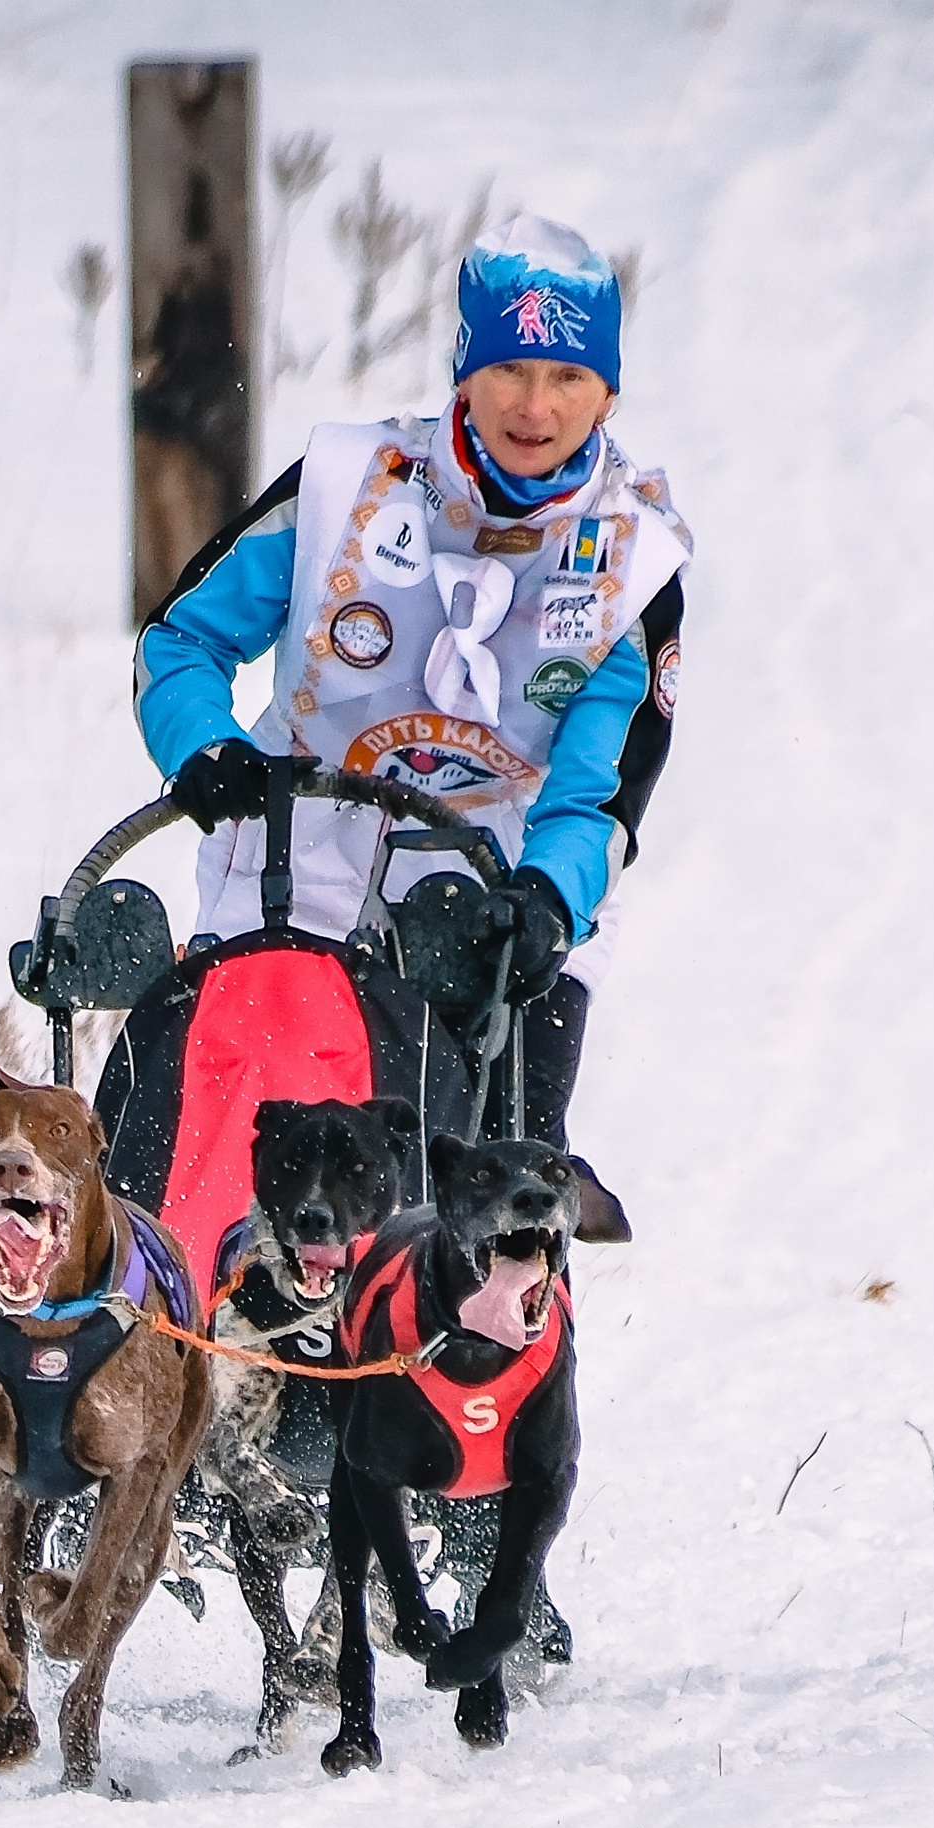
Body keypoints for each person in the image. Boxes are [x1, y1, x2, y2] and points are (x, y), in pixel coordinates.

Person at [131, 215, 692, 1159]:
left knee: (497, 1188)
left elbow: (597, 793)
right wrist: (202, 749)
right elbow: (179, 639)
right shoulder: (345, 488)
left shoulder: (633, 565)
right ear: (464, 371)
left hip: (498, 900)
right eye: (511, 368)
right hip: (291, 873)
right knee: (239, 1170)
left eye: (569, 378)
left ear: (609, 396)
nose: (535, 406)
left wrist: (550, 900)